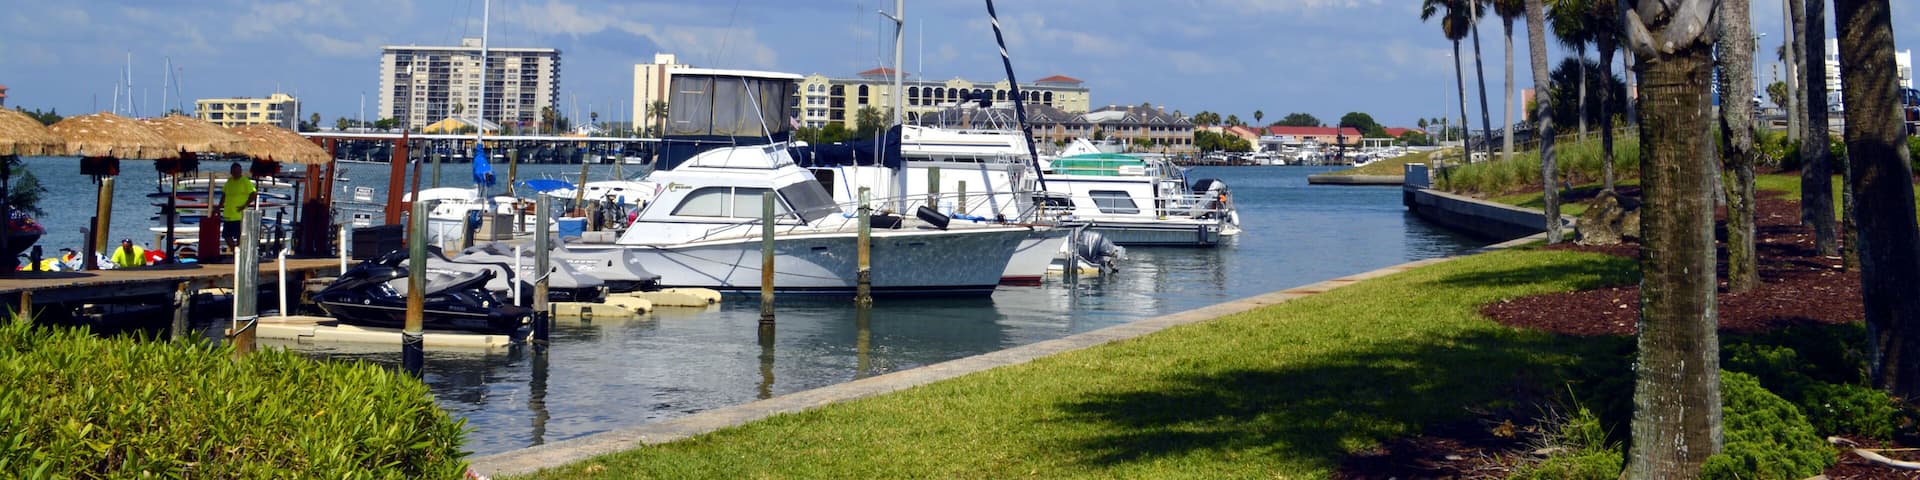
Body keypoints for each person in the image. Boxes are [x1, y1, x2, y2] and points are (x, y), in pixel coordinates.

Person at [217, 162, 256, 254]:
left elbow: (254, 194)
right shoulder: (229, 181)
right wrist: (218, 207)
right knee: (226, 235)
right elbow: (224, 195)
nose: (235, 173)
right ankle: (235, 251)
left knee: (239, 236)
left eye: (237, 171)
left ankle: (239, 253)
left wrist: (245, 205)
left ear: (241, 171)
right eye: (233, 171)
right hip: (228, 213)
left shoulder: (245, 181)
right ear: (231, 172)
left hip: (239, 215)